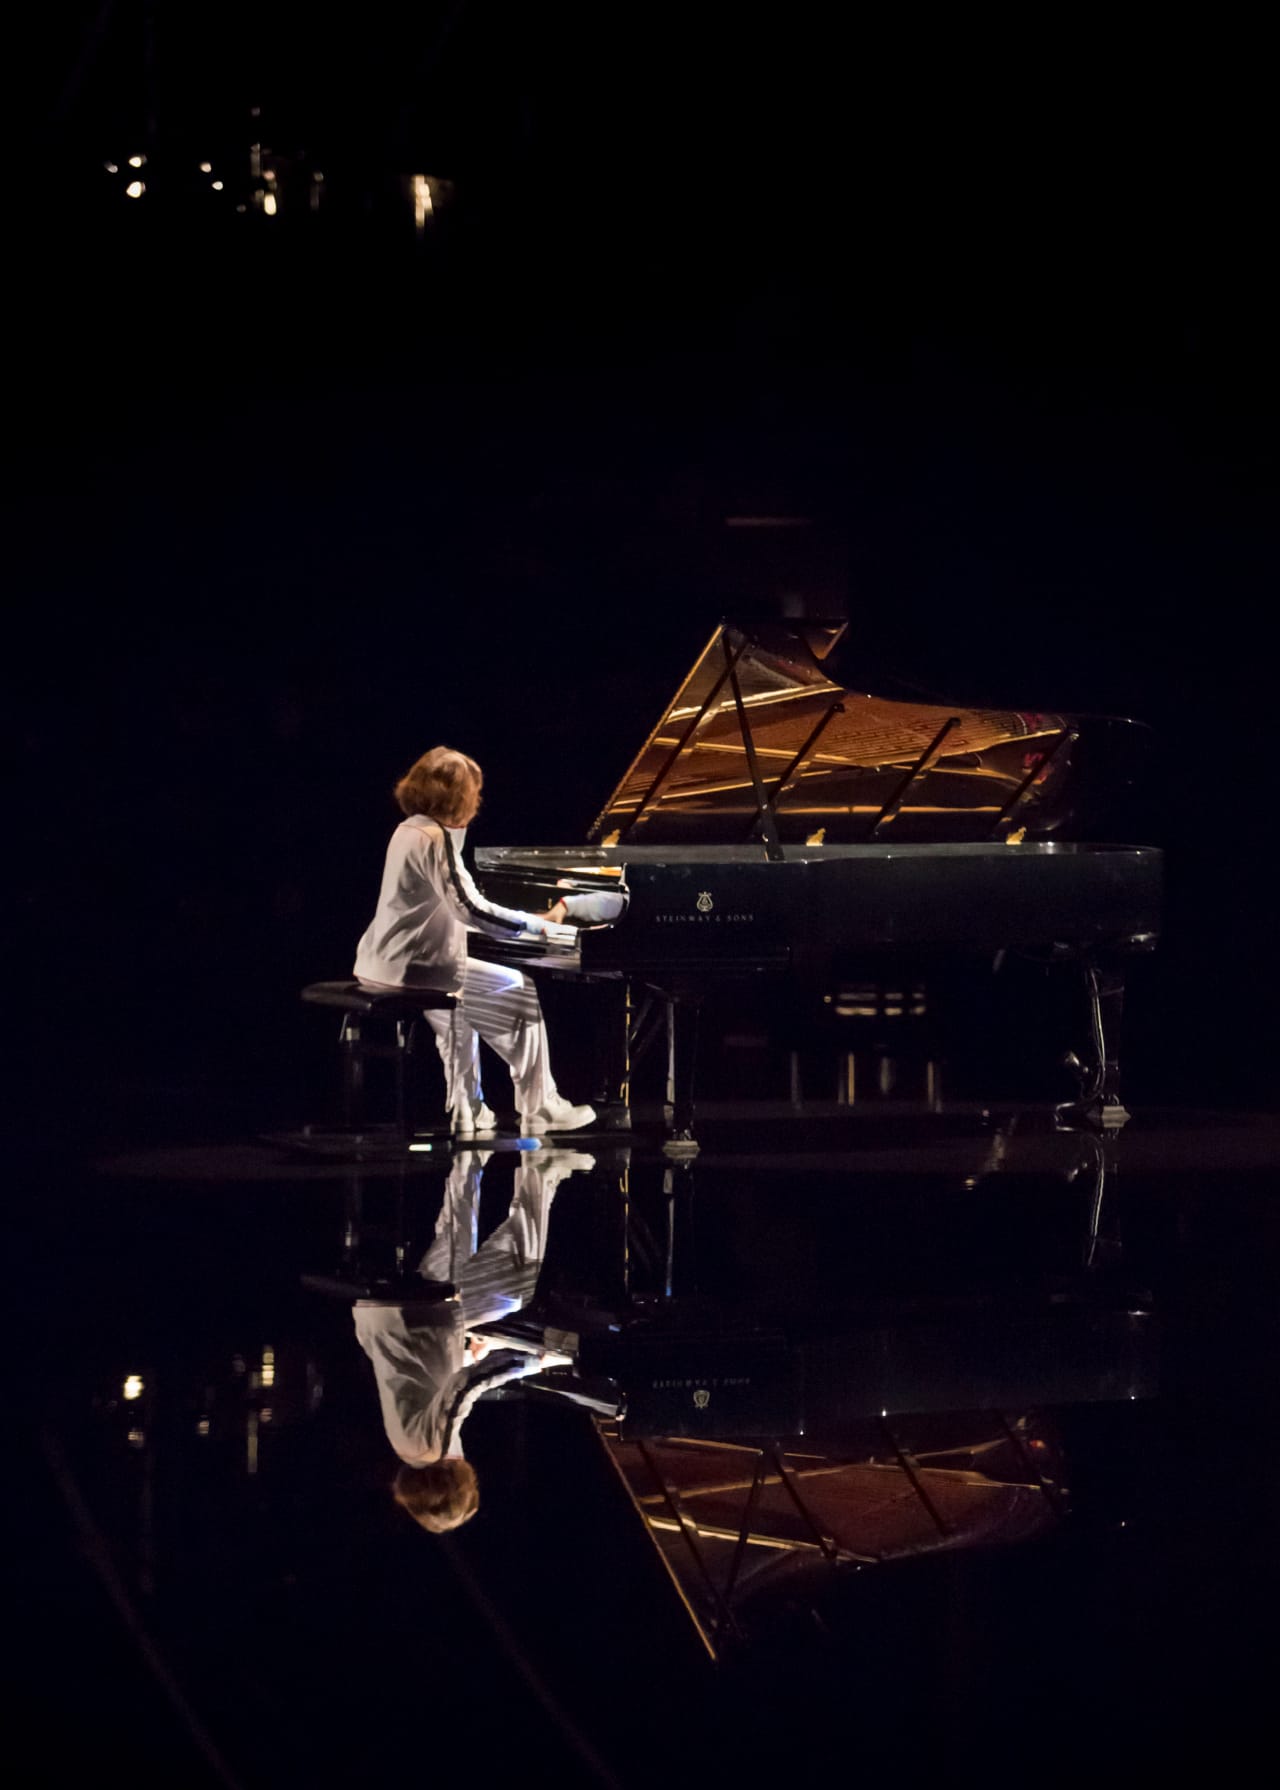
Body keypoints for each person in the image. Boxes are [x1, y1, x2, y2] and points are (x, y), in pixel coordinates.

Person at [353, 745, 600, 1137]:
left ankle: (467, 1109)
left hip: (383, 961)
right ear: (458, 797)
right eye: (474, 793)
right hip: (416, 968)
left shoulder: (408, 829)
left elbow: (431, 911)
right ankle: (541, 1107)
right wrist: (536, 927)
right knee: (518, 990)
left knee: (462, 999)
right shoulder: (434, 838)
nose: (478, 801)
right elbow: (470, 908)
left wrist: (512, 925)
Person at [354, 1145, 597, 1532]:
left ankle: (542, 1172)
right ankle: (470, 1145)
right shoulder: (409, 1449)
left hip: (417, 1317)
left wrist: (542, 1360)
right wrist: (469, 1356)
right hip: (393, 1321)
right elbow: (431, 1381)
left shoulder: (432, 1449)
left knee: (514, 1291)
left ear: (455, 1483)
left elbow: (469, 1386)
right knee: (455, 1237)